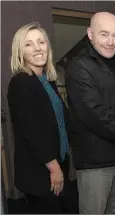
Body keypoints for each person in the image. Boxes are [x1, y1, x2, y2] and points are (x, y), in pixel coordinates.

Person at [65, 12, 115, 214]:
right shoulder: (79, 66)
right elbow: (94, 112)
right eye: (104, 34)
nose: (111, 42)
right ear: (90, 34)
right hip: (96, 164)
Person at [7, 22, 78, 214]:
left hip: (56, 164)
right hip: (40, 171)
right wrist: (54, 168)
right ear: (19, 51)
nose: (38, 48)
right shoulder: (20, 82)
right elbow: (32, 132)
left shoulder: (47, 81)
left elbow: (60, 122)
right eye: (29, 44)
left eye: (41, 42)